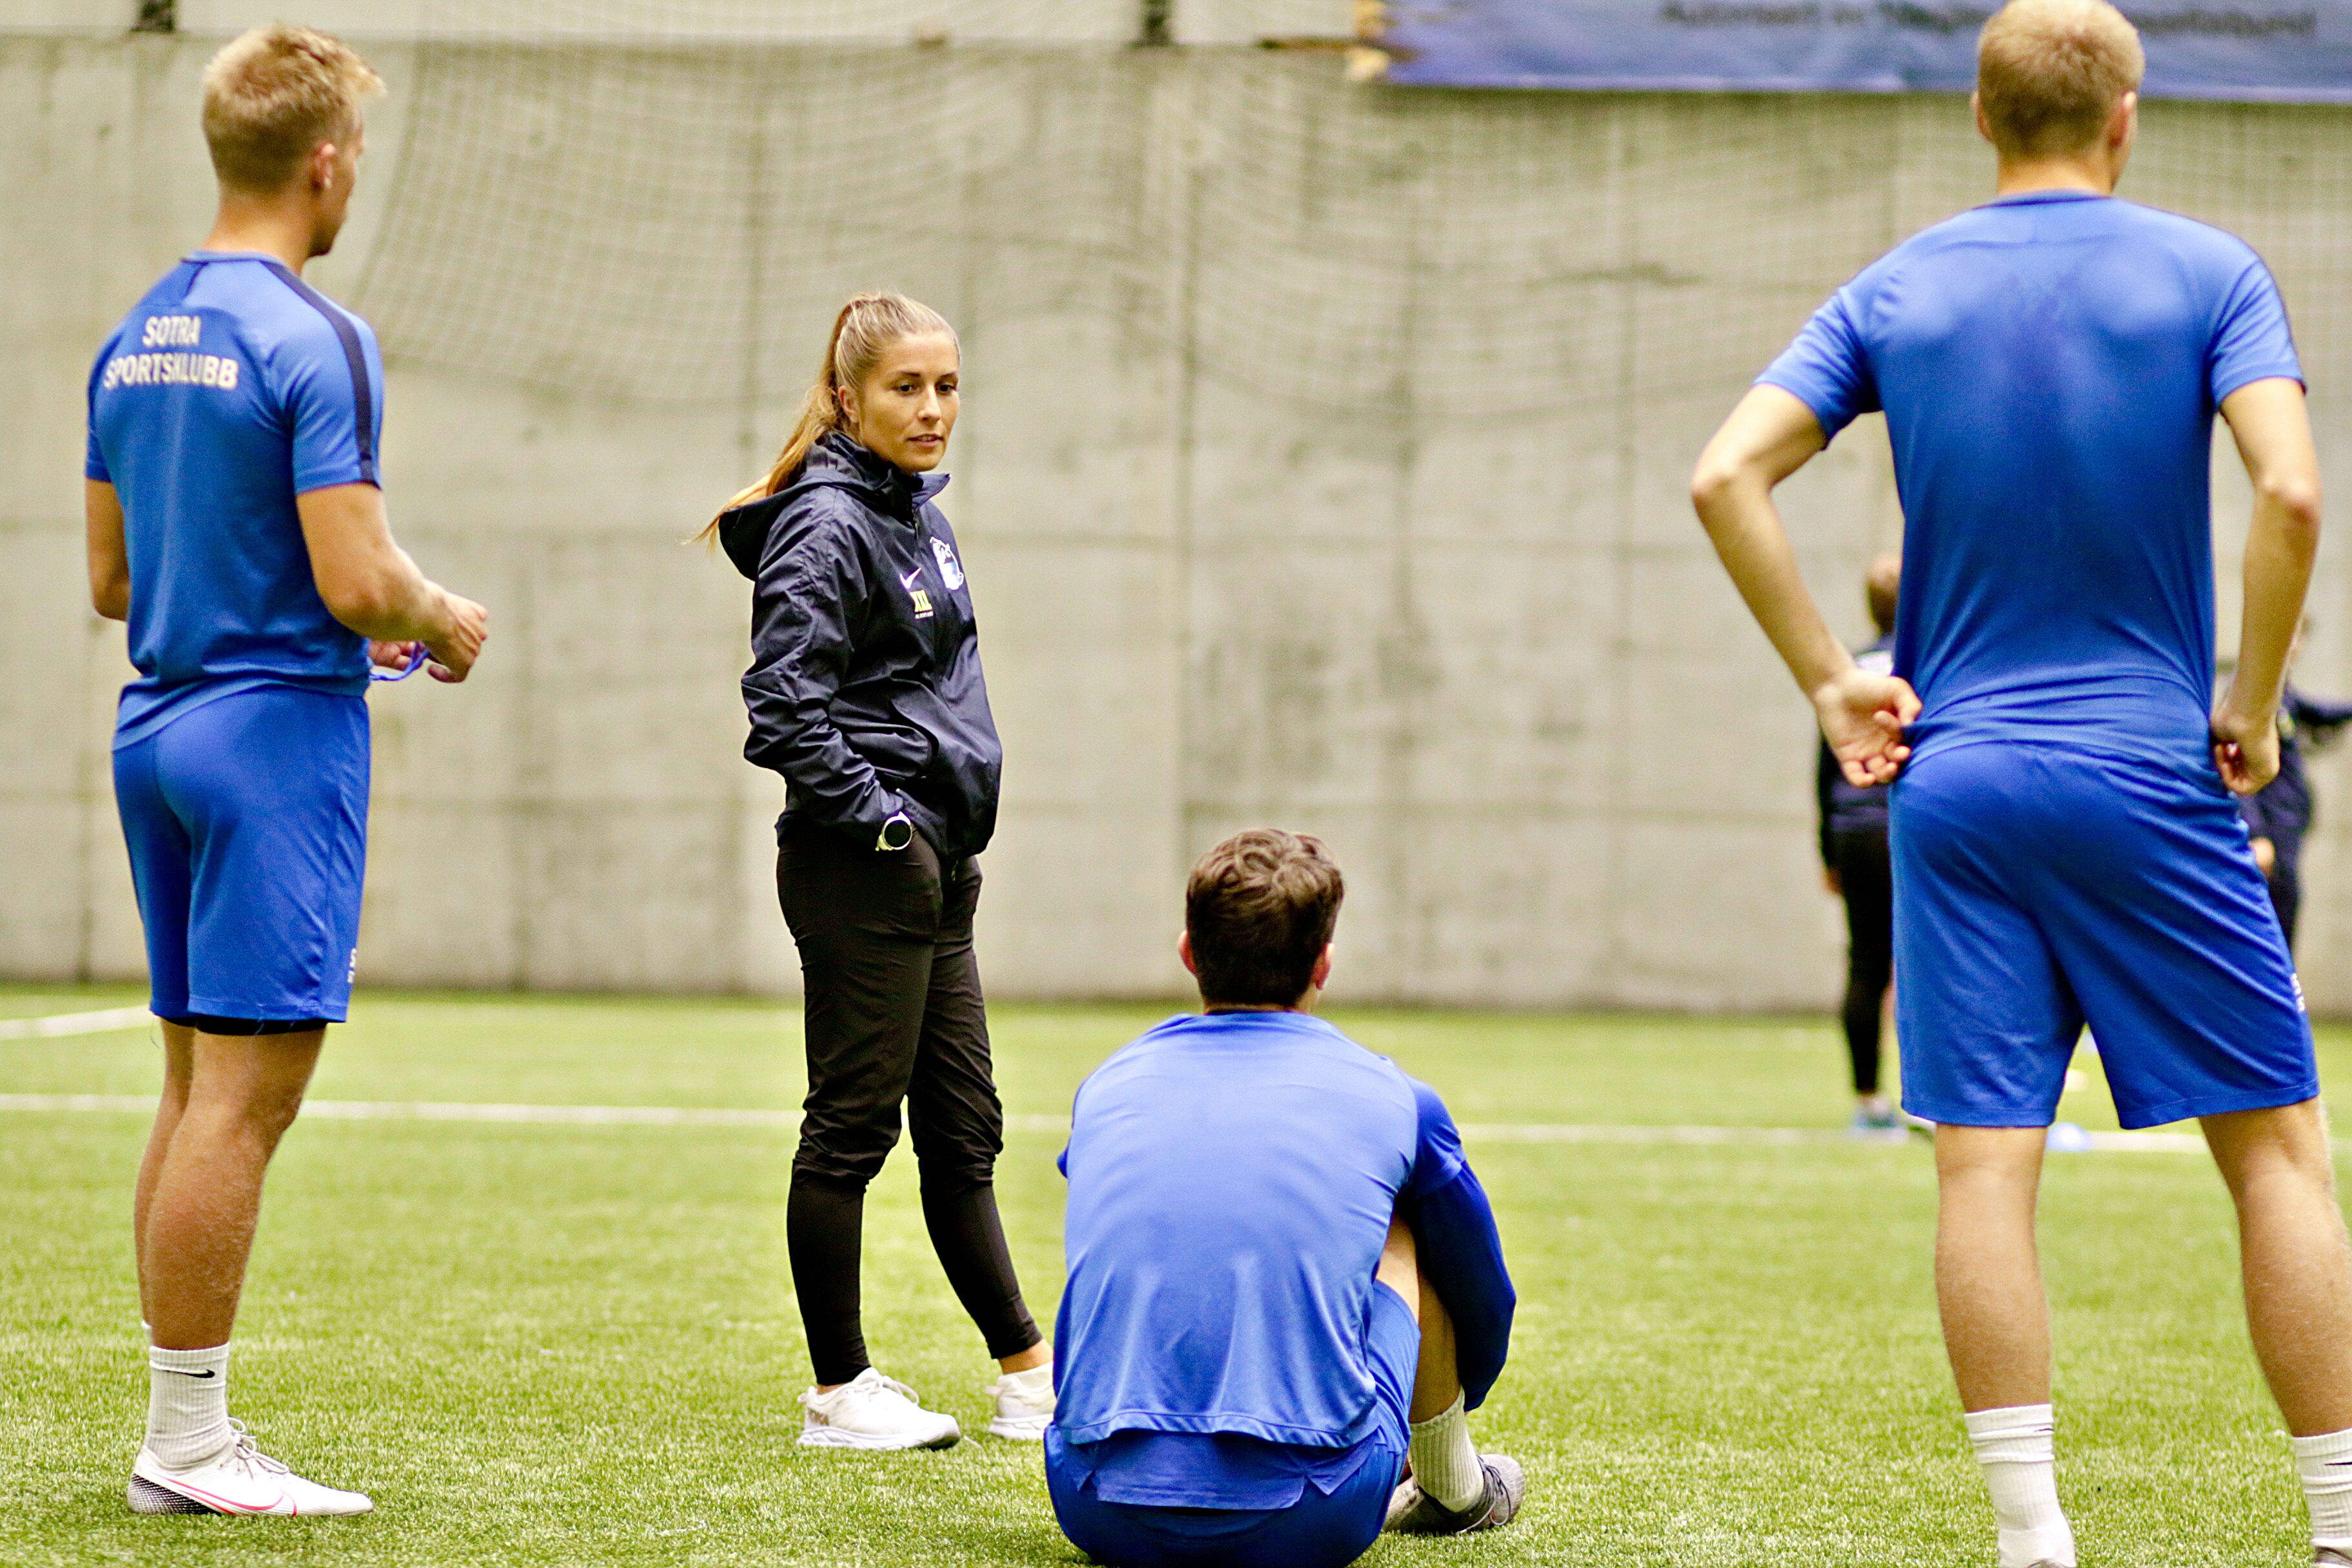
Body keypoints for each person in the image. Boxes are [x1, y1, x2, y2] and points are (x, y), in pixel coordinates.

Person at [1689, 3, 2352, 1563]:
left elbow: (1725, 475)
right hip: (2147, 774)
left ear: (1980, 117)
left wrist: (1833, 679)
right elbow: (2290, 491)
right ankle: (2340, 1528)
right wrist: (2252, 705)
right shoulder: (2211, 273)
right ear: (2126, 117)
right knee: (2274, 1153)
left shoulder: (1894, 286)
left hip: (1958, 784)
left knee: (1985, 1168)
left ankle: (2031, 1535)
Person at [84, 24, 489, 1518]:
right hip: (271, 747)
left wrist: (293, 602)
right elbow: (358, 576)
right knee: (246, 1104)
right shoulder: (321, 337)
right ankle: (189, 1443)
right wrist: (435, 617)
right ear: (326, 163)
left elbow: (114, 580)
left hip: (158, 728)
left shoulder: (133, 335)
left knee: (193, 1085)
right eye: (357, 156)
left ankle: (176, 1422)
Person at [704, 292, 1052, 1450]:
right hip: (865, 866)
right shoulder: (826, 524)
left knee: (964, 1129)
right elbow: (781, 708)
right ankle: (839, 1389)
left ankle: (1029, 1378)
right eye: (907, 387)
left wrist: (932, 838)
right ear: (846, 398)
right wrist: (887, 826)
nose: (933, 408)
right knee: (851, 1128)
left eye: (947, 386)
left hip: (938, 869)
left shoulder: (919, 516)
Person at [1046, 828, 1522, 1568]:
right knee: (1405, 1215)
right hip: (1310, 1514)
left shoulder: (1106, 1085)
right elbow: (1483, 1292)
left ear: (1188, 952)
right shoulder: (1397, 1097)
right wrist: (1451, 1387)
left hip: (1093, 1503)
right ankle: (1456, 1486)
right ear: (1322, 963)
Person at [1817, 551, 1903, 1133]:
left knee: (1866, 965)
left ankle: (1868, 1102)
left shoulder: (1847, 670)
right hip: (1911, 828)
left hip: (1854, 830)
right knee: (1937, 966)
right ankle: (1942, 1105)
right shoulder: (1930, 668)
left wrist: (1828, 850)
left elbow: (1824, 766)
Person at [2237, 638, 2352, 952]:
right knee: (2276, 911)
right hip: (2271, 827)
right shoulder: (2252, 693)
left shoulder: (2283, 693)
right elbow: (2239, 761)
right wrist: (2256, 834)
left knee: (2287, 908)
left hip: (2289, 825)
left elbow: (2320, 713)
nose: (2295, 645)